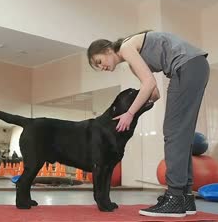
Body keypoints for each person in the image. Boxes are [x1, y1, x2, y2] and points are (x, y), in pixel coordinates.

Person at [87, 31, 209, 218]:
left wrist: (129, 113)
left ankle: (174, 198)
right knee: (181, 134)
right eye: (97, 66)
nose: (101, 67)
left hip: (187, 67)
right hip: (193, 67)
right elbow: (153, 93)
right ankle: (185, 197)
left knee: (174, 132)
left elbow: (149, 83)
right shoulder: (131, 62)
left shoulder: (126, 47)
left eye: (99, 61)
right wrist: (134, 104)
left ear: (107, 49)